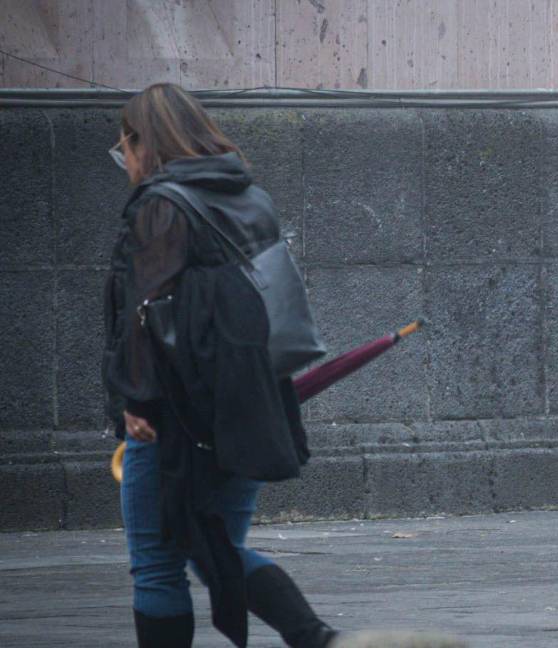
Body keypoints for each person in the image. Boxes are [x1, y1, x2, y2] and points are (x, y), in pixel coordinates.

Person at [102, 83, 463, 648]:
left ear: (141, 142)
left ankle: (321, 642)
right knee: (220, 546)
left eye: (123, 148)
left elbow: (148, 312)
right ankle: (322, 641)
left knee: (157, 561)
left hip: (176, 415)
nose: (124, 161)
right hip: (253, 402)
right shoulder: (250, 197)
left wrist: (137, 402)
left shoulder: (160, 205)